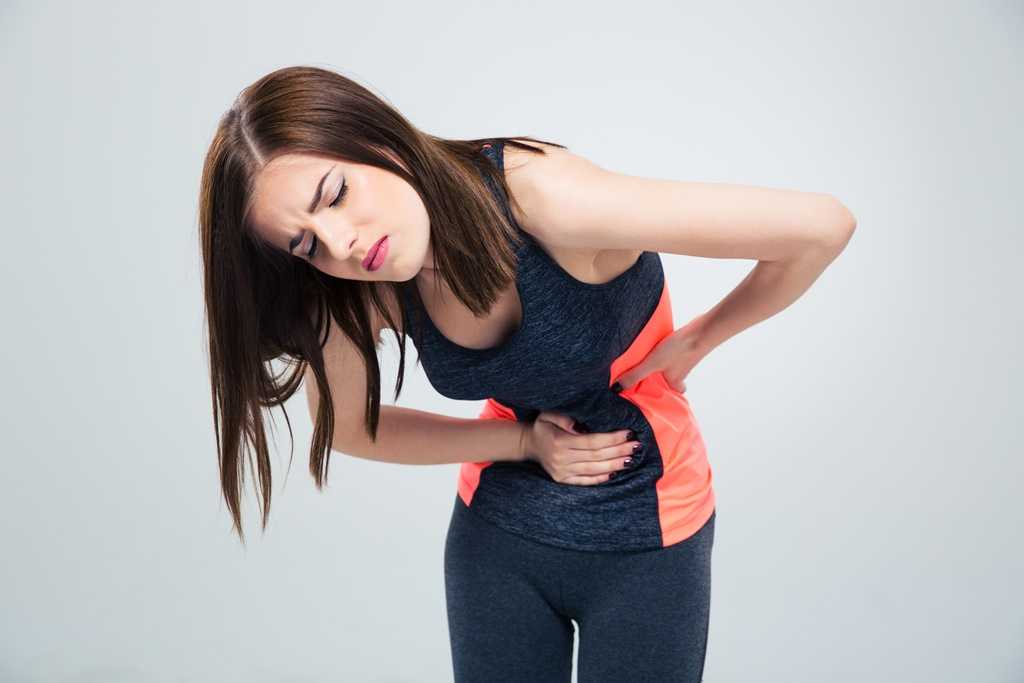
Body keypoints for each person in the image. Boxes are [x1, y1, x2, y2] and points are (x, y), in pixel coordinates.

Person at [197, 65, 856, 682]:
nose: (341, 243)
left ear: (376, 136)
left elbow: (821, 228)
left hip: (648, 531)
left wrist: (700, 338)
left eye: (336, 194)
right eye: (307, 243)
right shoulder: (357, 281)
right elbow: (345, 426)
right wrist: (519, 441)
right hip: (498, 539)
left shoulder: (548, 200)